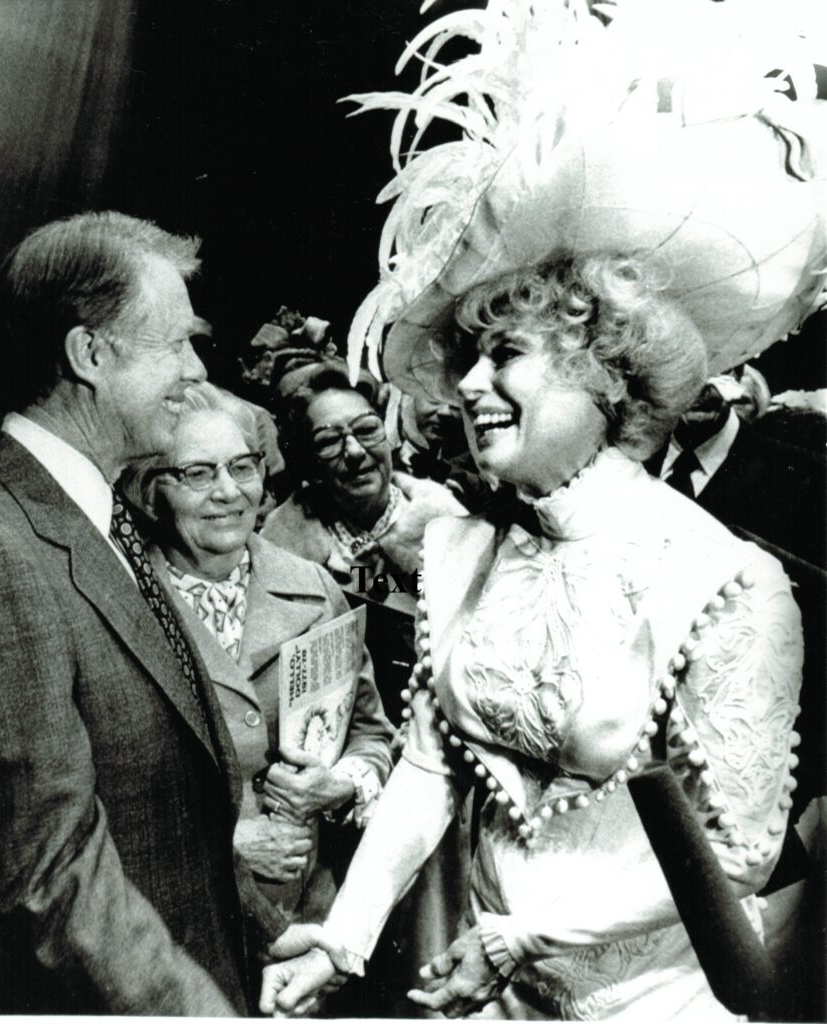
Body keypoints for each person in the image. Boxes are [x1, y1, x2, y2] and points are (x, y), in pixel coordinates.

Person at [260, 1, 826, 1015]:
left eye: (505, 355)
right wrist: (342, 938)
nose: (468, 384)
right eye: (469, 355)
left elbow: (738, 856)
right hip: (495, 992)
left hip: (656, 1000)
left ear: (605, 375)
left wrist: (522, 932)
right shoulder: (458, 550)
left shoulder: (726, 582)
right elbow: (432, 765)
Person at [0, 211, 288, 1014]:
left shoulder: (95, 517)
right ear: (89, 355)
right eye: (175, 343)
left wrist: (259, 930)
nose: (198, 371)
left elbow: (164, 813)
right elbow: (48, 868)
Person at [122, 381, 393, 924]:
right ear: (153, 491)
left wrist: (338, 785)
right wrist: (224, 845)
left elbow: (370, 736)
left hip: (306, 911)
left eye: (242, 468)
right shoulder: (123, 598)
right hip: (176, 923)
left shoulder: (315, 589)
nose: (229, 491)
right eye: (198, 473)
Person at [262, 362, 465, 594]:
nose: (355, 452)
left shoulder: (450, 528)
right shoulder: (282, 545)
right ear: (310, 463)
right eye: (328, 440)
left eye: (367, 430)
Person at [653, 375, 826, 569]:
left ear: (739, 369)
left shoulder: (809, 479)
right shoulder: (622, 454)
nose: (703, 386)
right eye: (687, 367)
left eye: (718, 368)